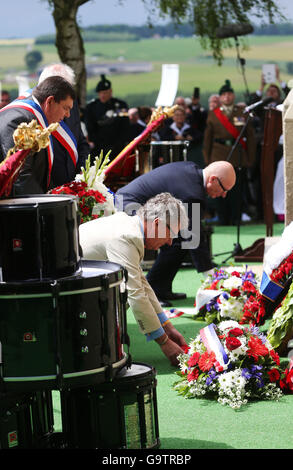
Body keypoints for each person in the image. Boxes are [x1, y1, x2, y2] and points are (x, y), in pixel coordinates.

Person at [79, 192, 189, 366]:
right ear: (158, 223)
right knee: (127, 296)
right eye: (171, 234)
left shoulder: (129, 225)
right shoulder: (127, 236)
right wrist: (165, 343)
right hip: (70, 293)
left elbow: (142, 284)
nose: (169, 242)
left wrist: (168, 327)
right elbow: (136, 293)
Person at [116, 160, 236, 306]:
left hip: (131, 201)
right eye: (224, 189)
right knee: (175, 240)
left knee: (178, 239)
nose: (224, 195)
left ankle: (161, 287)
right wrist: (211, 277)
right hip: (128, 205)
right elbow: (194, 237)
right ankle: (153, 289)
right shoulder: (193, 192)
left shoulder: (192, 170)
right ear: (212, 179)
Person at [0, 76, 75, 195]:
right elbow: (21, 176)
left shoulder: (34, 117)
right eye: (65, 108)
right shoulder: (19, 120)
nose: (68, 115)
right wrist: (49, 209)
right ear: (49, 101)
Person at [203, 79, 256, 225]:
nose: (227, 97)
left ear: (233, 96)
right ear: (220, 98)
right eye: (224, 95)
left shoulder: (241, 113)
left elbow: (250, 137)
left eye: (229, 94)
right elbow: (207, 139)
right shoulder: (213, 114)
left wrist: (250, 158)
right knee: (217, 189)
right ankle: (223, 218)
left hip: (238, 155)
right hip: (218, 155)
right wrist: (207, 160)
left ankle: (236, 218)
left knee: (237, 189)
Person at [38, 63, 90, 188]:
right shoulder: (33, 114)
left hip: (73, 184)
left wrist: (82, 173)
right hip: (48, 190)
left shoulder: (72, 104)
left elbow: (81, 141)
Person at [84, 74, 130, 162]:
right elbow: (90, 128)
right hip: (98, 149)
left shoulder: (120, 106)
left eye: (105, 92)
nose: (102, 95)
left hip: (117, 149)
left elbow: (125, 127)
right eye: (100, 93)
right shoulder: (91, 107)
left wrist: (118, 145)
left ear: (111, 91)